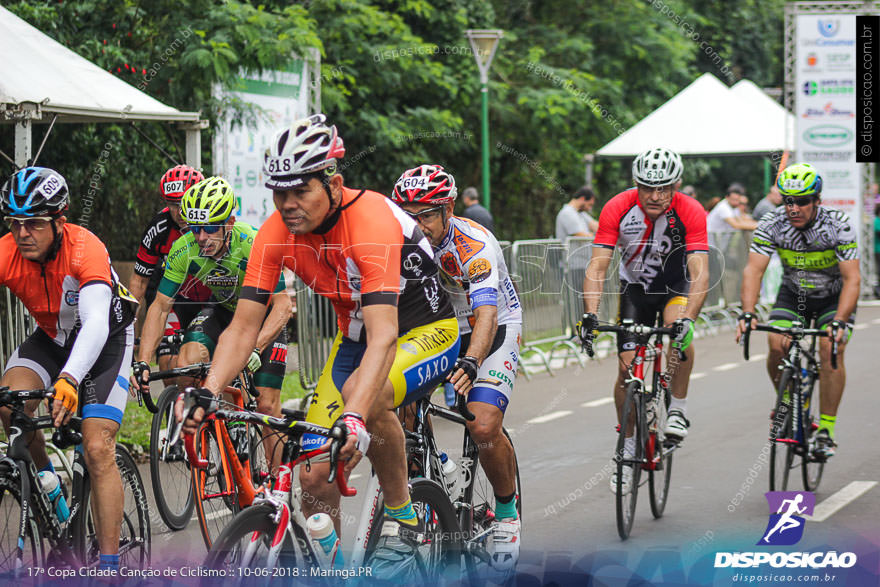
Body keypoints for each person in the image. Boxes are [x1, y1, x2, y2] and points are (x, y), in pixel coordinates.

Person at [175, 114, 460, 577]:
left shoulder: (367, 220)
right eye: (278, 192)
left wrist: (354, 414)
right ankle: (331, 570)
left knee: (369, 400)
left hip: (423, 330)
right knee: (311, 471)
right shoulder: (275, 232)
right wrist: (208, 390)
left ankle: (404, 518)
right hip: (354, 337)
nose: (287, 204)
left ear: (334, 183)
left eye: (299, 190)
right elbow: (244, 325)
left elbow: (384, 334)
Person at [0, 167, 137, 572]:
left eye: (35, 224)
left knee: (96, 447)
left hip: (106, 341)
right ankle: (49, 483)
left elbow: (94, 323)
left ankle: (109, 566)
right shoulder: (7, 251)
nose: (23, 233)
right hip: (51, 339)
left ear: (60, 221)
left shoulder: (84, 249)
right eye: (15, 222)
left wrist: (70, 378)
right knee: (9, 407)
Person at [389, 164, 522, 573]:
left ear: (448, 209)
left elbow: (485, 315)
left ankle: (506, 514)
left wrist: (472, 359)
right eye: (408, 214)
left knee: (481, 425)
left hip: (493, 327)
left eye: (426, 214)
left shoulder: (472, 243)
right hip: (438, 328)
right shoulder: (396, 243)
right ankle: (423, 488)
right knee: (399, 407)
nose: (417, 224)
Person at [131, 176, 292, 468]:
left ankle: (277, 484)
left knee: (267, 404)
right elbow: (159, 307)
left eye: (209, 228)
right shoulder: (185, 248)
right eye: (194, 228)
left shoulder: (254, 243)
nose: (201, 237)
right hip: (223, 312)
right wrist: (142, 361)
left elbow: (283, 305)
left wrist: (255, 348)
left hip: (264, 319)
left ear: (229, 223)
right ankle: (222, 426)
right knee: (185, 363)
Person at [578, 147, 710, 494]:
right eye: (647, 187)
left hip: (676, 287)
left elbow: (699, 272)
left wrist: (689, 320)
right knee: (625, 371)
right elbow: (597, 267)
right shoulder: (618, 207)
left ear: (676, 185)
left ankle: (677, 407)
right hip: (635, 290)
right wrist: (590, 314)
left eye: (664, 188)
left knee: (679, 335)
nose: (655, 196)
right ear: (635, 184)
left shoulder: (691, 211)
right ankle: (629, 446)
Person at [737, 163, 859, 460]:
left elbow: (852, 279)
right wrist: (748, 313)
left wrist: (840, 321)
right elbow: (753, 271)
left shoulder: (838, 225)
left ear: (817, 200)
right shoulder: (771, 223)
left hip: (833, 298)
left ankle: (826, 430)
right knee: (776, 343)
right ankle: (790, 404)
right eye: (788, 200)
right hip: (794, 294)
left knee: (831, 347)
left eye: (802, 201)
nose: (794, 208)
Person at [128, 164, 211, 371]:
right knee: (168, 369)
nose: (179, 211)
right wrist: (129, 330)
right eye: (172, 204)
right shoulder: (159, 228)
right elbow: (139, 281)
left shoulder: (213, 223)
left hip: (212, 298)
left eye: (184, 202)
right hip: (177, 299)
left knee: (205, 363)